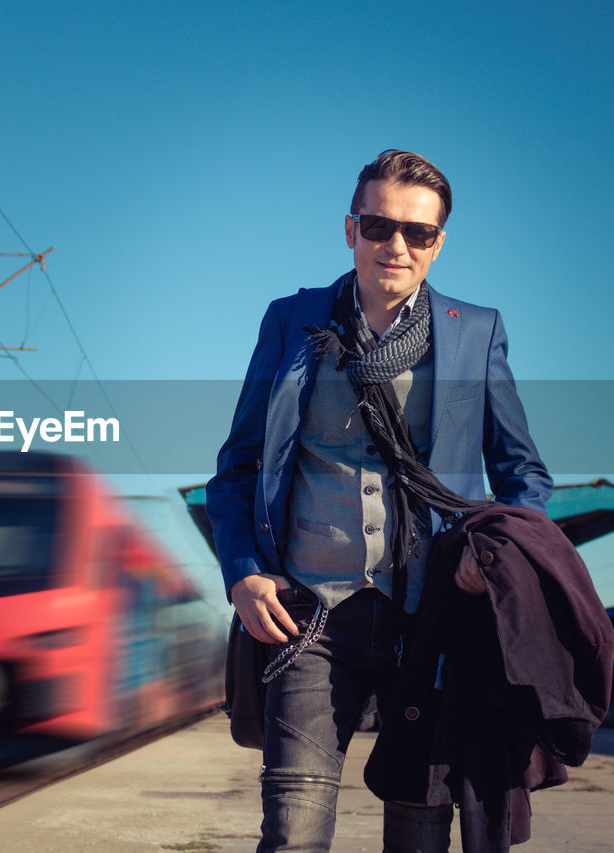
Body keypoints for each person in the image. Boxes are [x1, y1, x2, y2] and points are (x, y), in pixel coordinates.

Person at [205, 149, 552, 852]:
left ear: (438, 243)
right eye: (378, 225)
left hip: (430, 622)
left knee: (420, 834)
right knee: (293, 834)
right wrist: (242, 571)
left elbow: (525, 477)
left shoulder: (475, 331)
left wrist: (495, 561)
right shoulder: (290, 320)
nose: (396, 245)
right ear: (350, 229)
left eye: (417, 232)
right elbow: (236, 469)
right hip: (308, 616)